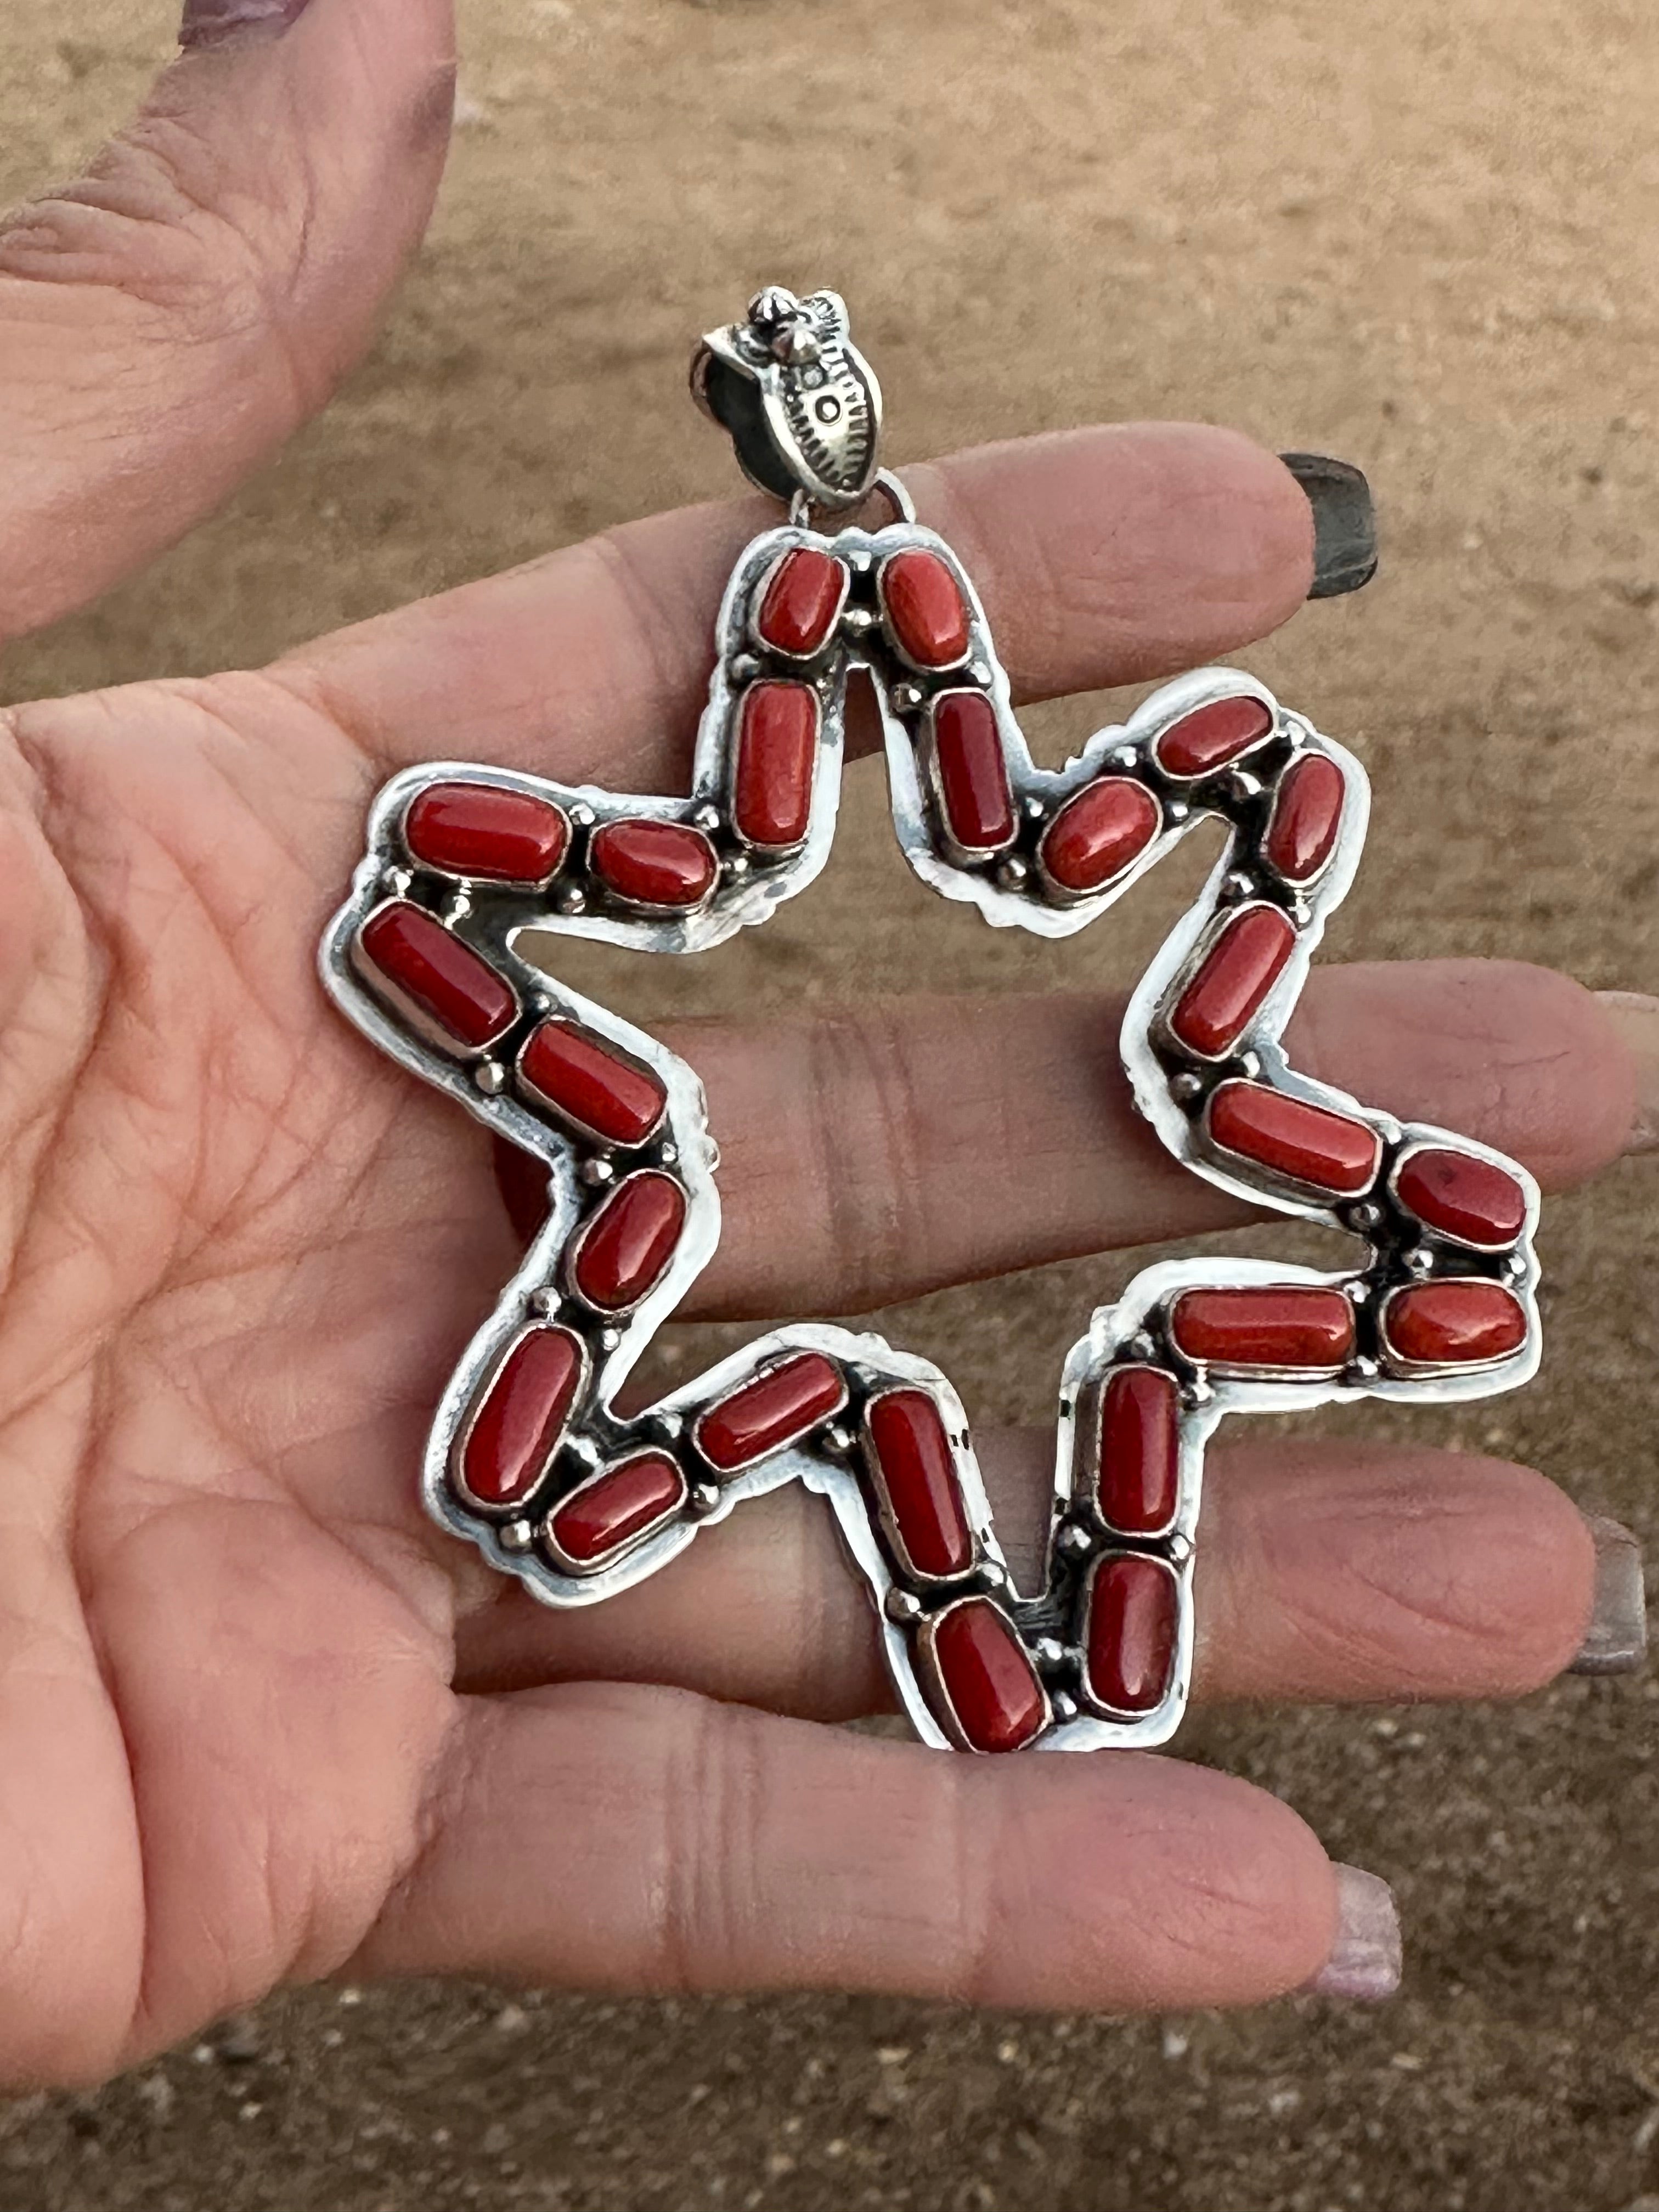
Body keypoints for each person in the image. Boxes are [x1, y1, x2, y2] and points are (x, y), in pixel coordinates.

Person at [0, 0, 1644, 2089]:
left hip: (768, 1191)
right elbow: (540, 896)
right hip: (609, 1278)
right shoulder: (531, 905)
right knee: (750, 1295)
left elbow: (1082, 840)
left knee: (1062, 1292)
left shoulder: (897, 740)